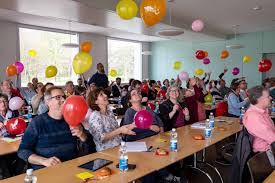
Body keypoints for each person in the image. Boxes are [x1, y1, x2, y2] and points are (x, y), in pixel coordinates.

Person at [18, 87, 93, 170]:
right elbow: (22, 151)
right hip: (46, 170)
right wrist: (44, 161)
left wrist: (83, 136)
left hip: (71, 167)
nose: (64, 100)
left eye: (64, 97)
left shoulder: (72, 119)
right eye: (58, 97)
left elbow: (91, 148)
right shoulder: (37, 122)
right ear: (47, 102)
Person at [243, 86, 275, 152]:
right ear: (259, 99)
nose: (271, 98)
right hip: (265, 153)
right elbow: (273, 140)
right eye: (268, 96)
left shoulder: (261, 112)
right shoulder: (254, 117)